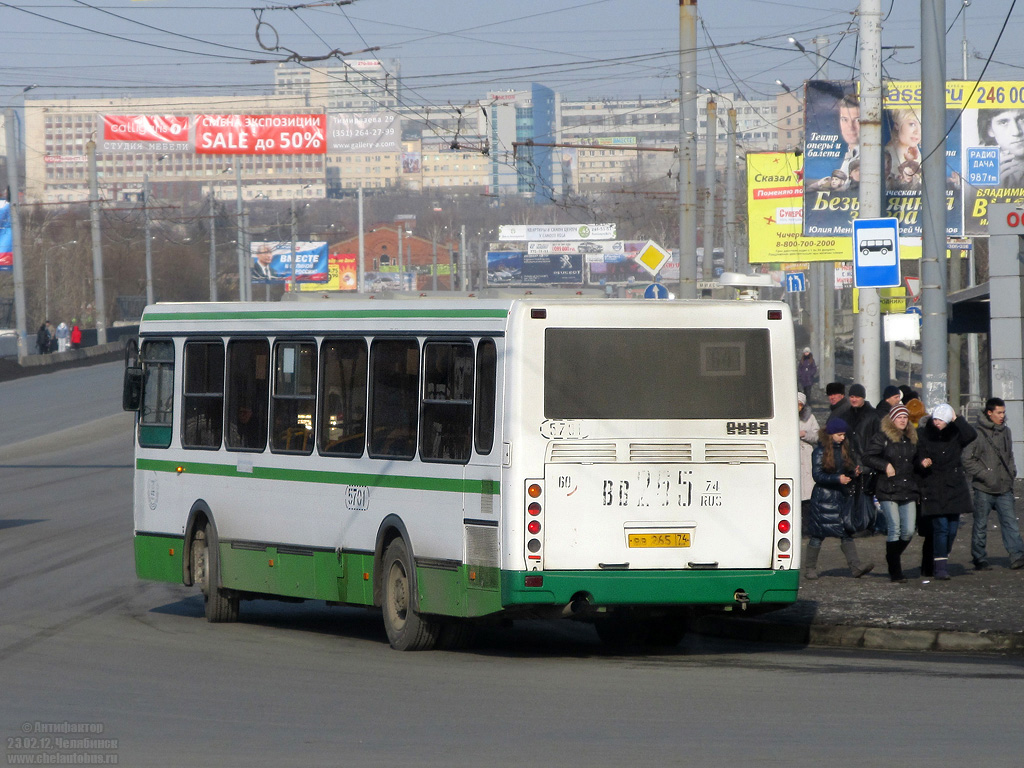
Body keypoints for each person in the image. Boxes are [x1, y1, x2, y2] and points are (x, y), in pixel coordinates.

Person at [804, 417, 874, 580]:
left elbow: (844, 471)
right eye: (839, 434)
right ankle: (810, 569)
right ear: (830, 434)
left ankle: (856, 567)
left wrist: (852, 473)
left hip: (840, 498)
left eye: (843, 434)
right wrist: (838, 479)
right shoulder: (819, 452)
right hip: (823, 499)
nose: (843, 437)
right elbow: (817, 475)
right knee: (817, 535)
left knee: (846, 532)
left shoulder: (843, 449)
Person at [915, 403, 977, 580]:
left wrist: (957, 419)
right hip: (933, 486)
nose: (937, 422)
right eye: (935, 418)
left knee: (952, 528)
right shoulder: (924, 434)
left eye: (941, 419)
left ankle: (940, 558)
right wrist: (922, 462)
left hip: (954, 486)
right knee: (940, 528)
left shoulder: (956, 434)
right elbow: (917, 454)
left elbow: (971, 435)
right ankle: (940, 567)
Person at [962, 397, 1024, 571]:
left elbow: (1009, 454)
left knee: (1010, 522)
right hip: (984, 488)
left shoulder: (1006, 431)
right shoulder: (977, 433)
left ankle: (1017, 555)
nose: (1002, 416)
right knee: (981, 524)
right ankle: (979, 557)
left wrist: (1012, 472)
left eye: (1003, 412)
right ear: (989, 413)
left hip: (1004, 486)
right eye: (999, 413)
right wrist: (985, 475)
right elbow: (967, 459)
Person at [863, 405, 918, 583]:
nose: (902, 420)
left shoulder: (912, 438)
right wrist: (885, 465)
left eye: (905, 417)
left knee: (908, 530)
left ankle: (892, 555)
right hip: (887, 488)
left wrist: (923, 462)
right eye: (899, 417)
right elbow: (868, 456)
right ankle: (896, 571)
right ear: (892, 419)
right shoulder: (882, 437)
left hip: (908, 488)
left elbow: (915, 459)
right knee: (894, 529)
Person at [977, 108, 1024, 186]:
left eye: (1022, 118)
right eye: (1003, 122)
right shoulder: (983, 174)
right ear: (990, 129)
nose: (1016, 132)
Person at [884, 108, 922, 189]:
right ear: (897, 125)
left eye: (922, 125)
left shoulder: (916, 154)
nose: (917, 131)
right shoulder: (886, 156)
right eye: (912, 124)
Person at [798, 392, 819, 529]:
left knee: (807, 493)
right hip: (793, 454)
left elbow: (817, 436)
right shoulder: (785, 415)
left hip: (806, 455)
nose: (798, 407)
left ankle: (807, 525)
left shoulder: (810, 418)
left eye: (800, 405)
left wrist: (805, 434)